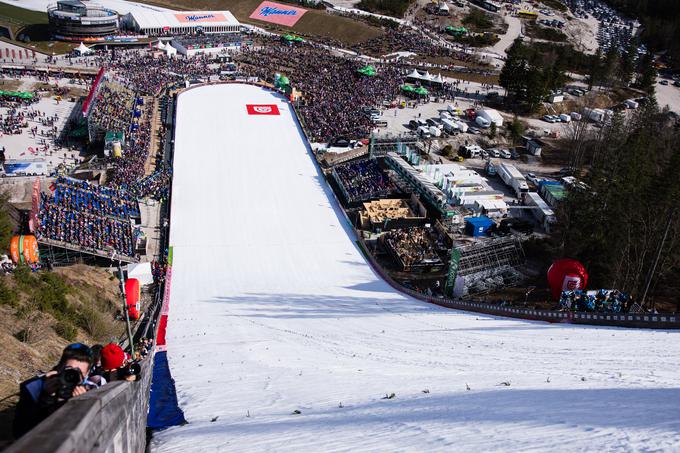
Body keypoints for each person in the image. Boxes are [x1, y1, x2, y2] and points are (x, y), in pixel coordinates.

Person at [13, 343, 104, 438]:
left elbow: (93, 434)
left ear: (86, 375)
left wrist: (83, 406)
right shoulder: (34, 387)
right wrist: (45, 398)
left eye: (79, 373)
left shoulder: (92, 391)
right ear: (60, 366)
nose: (72, 375)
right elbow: (19, 431)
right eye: (69, 369)